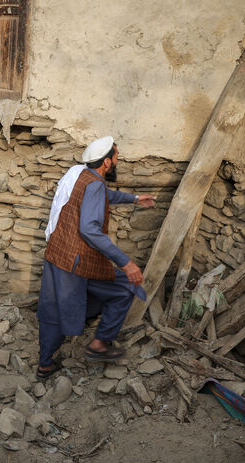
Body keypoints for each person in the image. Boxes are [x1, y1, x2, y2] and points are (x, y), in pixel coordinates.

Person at [36, 136, 155, 379]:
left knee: (54, 308)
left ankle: (45, 364)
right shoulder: (95, 185)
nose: (117, 162)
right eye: (116, 158)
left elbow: (103, 196)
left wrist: (134, 198)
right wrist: (126, 262)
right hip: (77, 262)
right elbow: (89, 229)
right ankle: (99, 344)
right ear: (107, 163)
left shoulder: (79, 173)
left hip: (57, 254)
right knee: (125, 287)